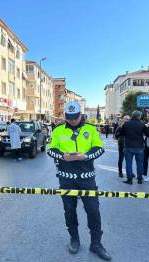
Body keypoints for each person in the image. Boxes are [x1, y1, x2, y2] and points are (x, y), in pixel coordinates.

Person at [47, 101, 111, 261]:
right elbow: (50, 149)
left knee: (93, 211)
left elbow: (100, 148)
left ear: (80, 115)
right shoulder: (58, 130)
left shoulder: (90, 129)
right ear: (65, 116)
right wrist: (62, 156)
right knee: (69, 211)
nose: (72, 121)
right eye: (69, 118)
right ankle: (74, 239)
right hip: (66, 179)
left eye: (75, 117)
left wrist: (86, 156)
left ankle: (96, 243)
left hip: (87, 179)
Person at [120, 110, 149, 185]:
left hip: (128, 146)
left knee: (128, 164)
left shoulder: (126, 124)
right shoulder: (142, 124)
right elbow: (148, 134)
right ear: (139, 116)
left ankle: (129, 180)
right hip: (139, 147)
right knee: (140, 164)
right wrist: (148, 127)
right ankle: (139, 179)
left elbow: (121, 133)